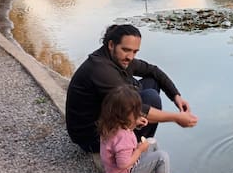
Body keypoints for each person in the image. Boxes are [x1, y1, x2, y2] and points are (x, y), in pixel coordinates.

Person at [66, 24, 198, 153]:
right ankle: (137, 155)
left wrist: (176, 96)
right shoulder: (100, 69)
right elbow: (136, 109)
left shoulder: (118, 58)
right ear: (111, 45)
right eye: (126, 50)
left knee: (151, 82)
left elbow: (153, 71)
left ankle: (137, 143)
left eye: (135, 51)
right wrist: (176, 118)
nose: (130, 57)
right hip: (92, 137)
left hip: (104, 118)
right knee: (151, 97)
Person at [98, 85, 182, 173]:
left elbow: (120, 146)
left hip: (116, 171)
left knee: (151, 142)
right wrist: (138, 150)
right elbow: (123, 164)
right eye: (135, 113)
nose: (139, 114)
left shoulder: (111, 126)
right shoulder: (123, 136)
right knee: (162, 156)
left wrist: (136, 122)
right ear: (125, 116)